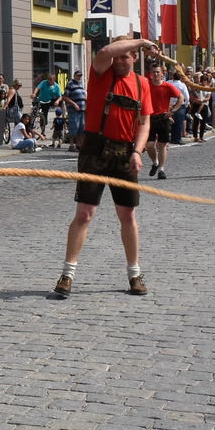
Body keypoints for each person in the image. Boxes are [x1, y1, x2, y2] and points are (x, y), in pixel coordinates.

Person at [53, 35, 160, 300]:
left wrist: (137, 151)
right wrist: (141, 42)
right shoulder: (101, 70)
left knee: (128, 215)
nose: (120, 60)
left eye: (126, 56)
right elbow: (104, 50)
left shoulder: (142, 84)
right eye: (119, 55)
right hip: (95, 149)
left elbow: (144, 122)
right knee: (85, 214)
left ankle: (134, 273)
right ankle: (67, 274)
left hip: (125, 153)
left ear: (134, 59)